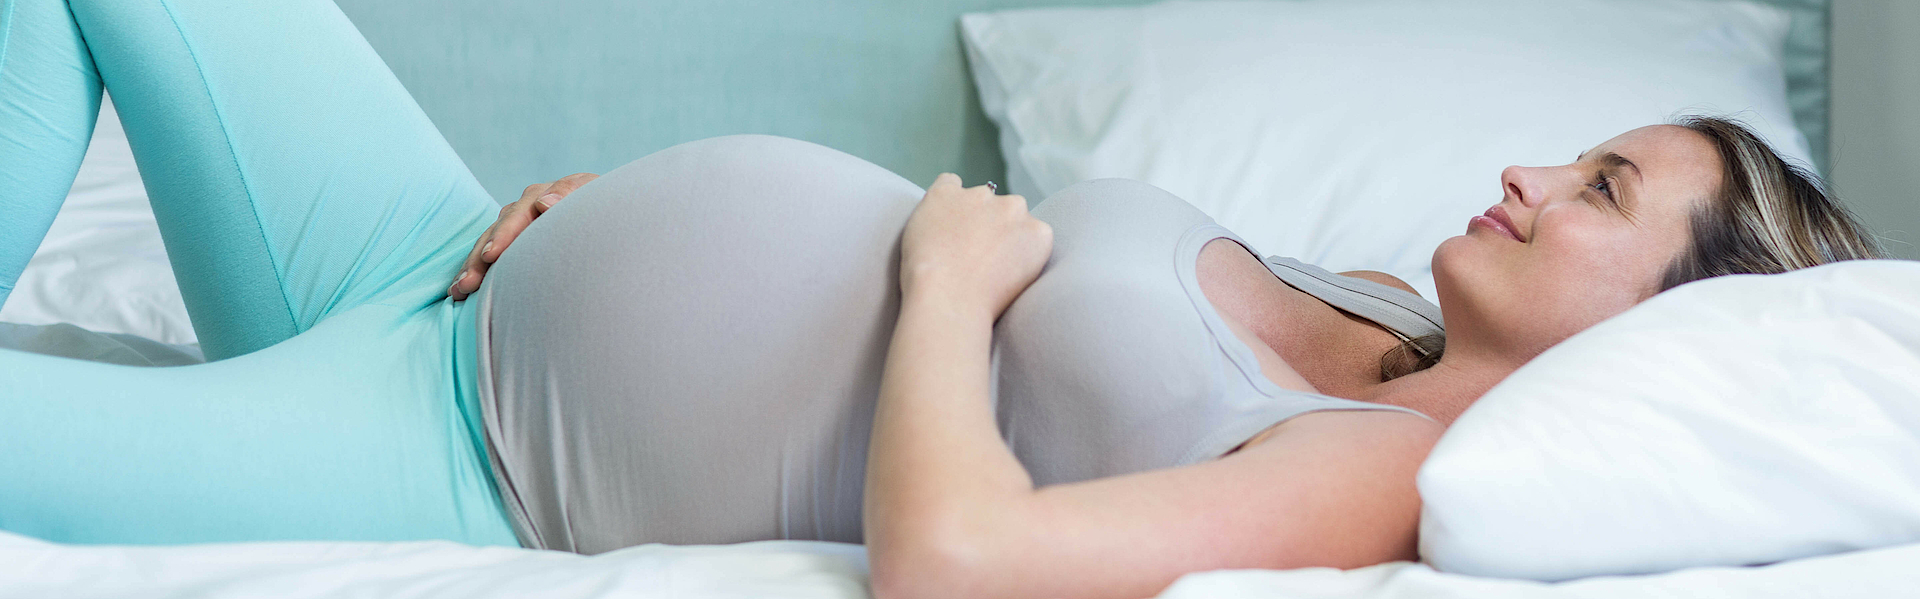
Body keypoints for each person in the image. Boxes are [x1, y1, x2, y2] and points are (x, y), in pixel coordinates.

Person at [0, 1, 1882, 599]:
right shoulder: (1378, 295)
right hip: (444, 247)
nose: (1534, 173)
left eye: (1603, 190)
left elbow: (959, 565)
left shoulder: (1372, 479)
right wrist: (608, 215)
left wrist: (941, 278)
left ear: (1673, 320)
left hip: (457, 441)